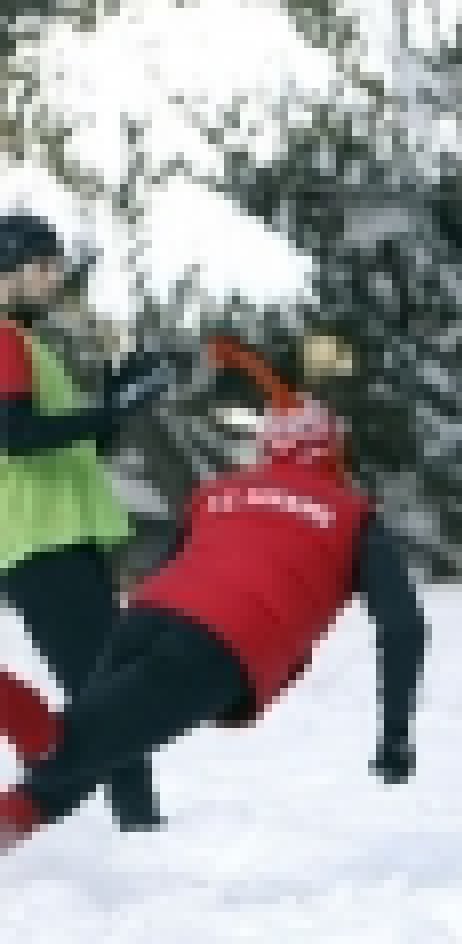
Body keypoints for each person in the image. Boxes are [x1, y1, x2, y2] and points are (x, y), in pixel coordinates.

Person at [0, 397, 429, 851]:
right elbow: (402, 627)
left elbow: (170, 569)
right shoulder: (353, 516)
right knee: (65, 744)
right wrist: (396, 735)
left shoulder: (217, 495)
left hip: (146, 618)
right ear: (333, 451)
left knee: (94, 747)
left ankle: (14, 818)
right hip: (222, 641)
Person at [0, 212, 174, 830]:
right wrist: (107, 410)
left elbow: (77, 446)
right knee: (110, 698)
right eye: (42, 267)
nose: (53, 279)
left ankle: (135, 828)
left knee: (111, 694)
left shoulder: (30, 345)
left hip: (62, 537)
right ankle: (125, 828)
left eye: (55, 267)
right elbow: (13, 434)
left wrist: (115, 403)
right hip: (39, 540)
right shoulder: (4, 340)